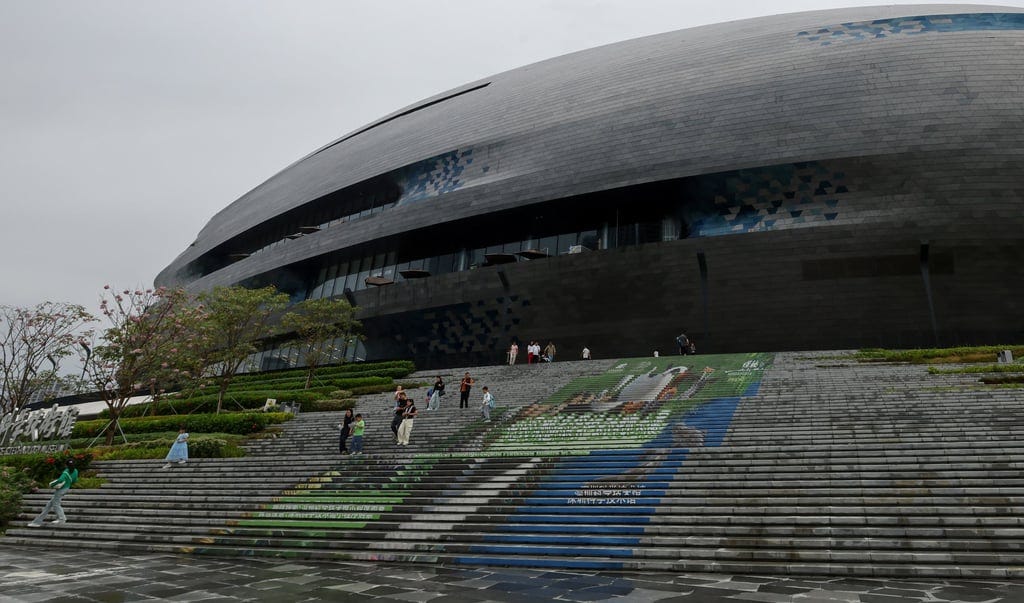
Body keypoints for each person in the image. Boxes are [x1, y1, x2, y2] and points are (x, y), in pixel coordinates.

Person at [28, 458, 78, 527]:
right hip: (66, 488)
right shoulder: (75, 471)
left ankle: (61, 518)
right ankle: (37, 521)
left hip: (61, 489)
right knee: (49, 505)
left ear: (66, 465)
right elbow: (75, 480)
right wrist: (68, 482)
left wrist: (52, 484)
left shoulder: (66, 471)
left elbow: (60, 479)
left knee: (56, 504)